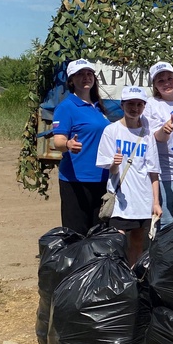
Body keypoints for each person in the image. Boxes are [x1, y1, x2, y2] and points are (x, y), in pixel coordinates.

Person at [96, 86, 161, 266]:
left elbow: (153, 171)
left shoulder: (147, 135)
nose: (135, 108)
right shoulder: (112, 131)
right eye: (131, 104)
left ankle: (133, 278)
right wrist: (115, 163)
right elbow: (110, 169)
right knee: (117, 242)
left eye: (139, 104)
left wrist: (155, 202)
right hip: (121, 200)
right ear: (122, 105)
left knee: (138, 242)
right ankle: (115, 276)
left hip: (142, 198)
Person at [51, 59, 110, 235]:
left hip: (102, 179)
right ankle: (77, 263)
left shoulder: (98, 107)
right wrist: (68, 144)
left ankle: (93, 264)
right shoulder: (66, 107)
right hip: (76, 181)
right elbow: (58, 141)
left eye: (89, 74)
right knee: (77, 233)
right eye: (80, 74)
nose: (86, 78)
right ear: (71, 80)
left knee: (98, 233)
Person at [143, 61, 173, 228]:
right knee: (167, 220)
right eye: (160, 81)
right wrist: (164, 130)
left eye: (169, 78)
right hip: (165, 171)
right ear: (155, 85)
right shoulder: (151, 104)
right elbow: (156, 137)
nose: (166, 83)